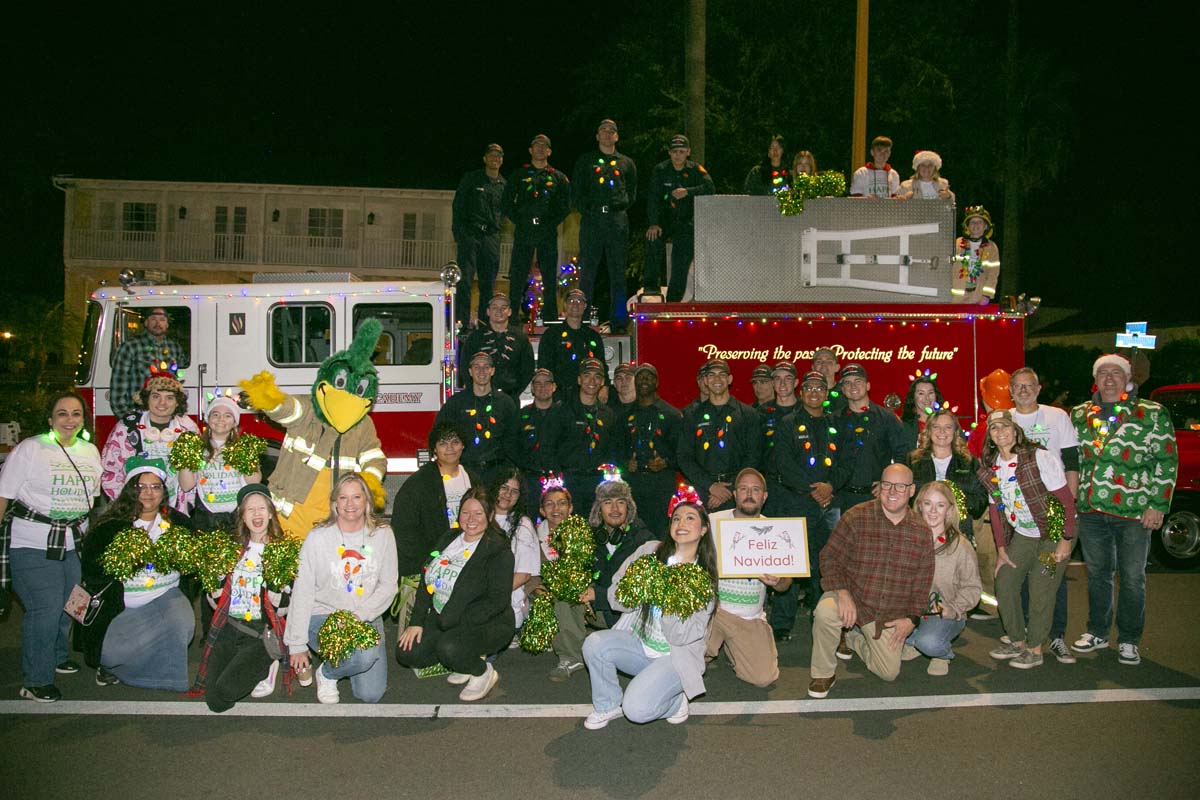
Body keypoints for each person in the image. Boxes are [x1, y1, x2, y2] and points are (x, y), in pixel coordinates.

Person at [1070, 354, 1178, 665]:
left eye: (1116, 373)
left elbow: (1167, 460)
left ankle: (1129, 638)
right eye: (1103, 373)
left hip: (1134, 511)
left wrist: (1158, 504)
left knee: (1132, 577)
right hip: (1090, 509)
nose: (1109, 379)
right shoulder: (1079, 414)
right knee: (1098, 575)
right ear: (1095, 379)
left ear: (1128, 378)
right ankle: (1098, 631)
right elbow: (1070, 460)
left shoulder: (1151, 413)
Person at [581, 494, 719, 728]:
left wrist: (669, 596)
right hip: (640, 645)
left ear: (704, 529)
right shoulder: (649, 551)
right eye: (676, 518)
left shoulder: (703, 579)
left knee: (636, 710)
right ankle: (608, 704)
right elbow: (616, 596)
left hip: (674, 658)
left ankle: (675, 702)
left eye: (690, 518)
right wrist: (637, 589)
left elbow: (680, 637)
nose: (681, 523)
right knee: (594, 644)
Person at [0, 391, 102, 702]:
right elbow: (4, 495)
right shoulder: (30, 449)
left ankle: (57, 655)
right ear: (49, 419)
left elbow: (92, 499)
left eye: (76, 414)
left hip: (73, 542)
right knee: (45, 607)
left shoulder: (90, 451)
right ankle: (36, 679)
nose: (69, 420)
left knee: (71, 604)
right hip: (32, 542)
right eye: (62, 413)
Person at [807, 464, 934, 698]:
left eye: (900, 486)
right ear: (879, 486)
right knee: (825, 613)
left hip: (887, 612)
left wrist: (912, 619)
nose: (892, 491)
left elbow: (922, 582)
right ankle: (823, 673)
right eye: (887, 485)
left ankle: (852, 637)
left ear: (911, 490)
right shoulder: (856, 516)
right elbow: (829, 557)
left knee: (888, 673)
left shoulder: (921, 531)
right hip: (852, 597)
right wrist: (842, 592)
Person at [78, 457, 196, 690]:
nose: (149, 493)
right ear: (130, 490)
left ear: (163, 491)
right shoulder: (110, 526)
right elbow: (91, 572)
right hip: (121, 605)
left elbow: (193, 566)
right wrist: (123, 560)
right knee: (110, 654)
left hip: (164, 596)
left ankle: (159, 674)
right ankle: (116, 665)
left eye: (155, 487)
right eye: (141, 487)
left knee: (182, 623)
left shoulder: (178, 523)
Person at [286, 473, 398, 704]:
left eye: (356, 497)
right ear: (335, 502)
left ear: (367, 500)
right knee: (363, 656)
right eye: (343, 497)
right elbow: (302, 590)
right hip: (324, 616)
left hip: (365, 616)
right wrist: (296, 643)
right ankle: (329, 674)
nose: (350, 504)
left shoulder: (383, 534)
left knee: (370, 694)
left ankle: (331, 669)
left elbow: (388, 585)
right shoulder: (317, 537)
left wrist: (360, 615)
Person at [978, 410, 1076, 669]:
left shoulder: (1038, 457)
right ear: (989, 435)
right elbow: (996, 512)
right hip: (1025, 534)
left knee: (1041, 587)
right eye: (994, 427)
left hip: (1054, 531)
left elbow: (1066, 501)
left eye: (1005, 426)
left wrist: (1066, 539)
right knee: (1005, 581)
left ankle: (1035, 647)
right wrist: (1001, 549)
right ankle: (1017, 640)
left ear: (1016, 430)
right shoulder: (991, 469)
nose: (1000, 431)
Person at [397, 487, 514, 702]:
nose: (471, 519)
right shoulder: (449, 538)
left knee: (449, 647)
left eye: (478, 513)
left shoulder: (498, 550)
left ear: (490, 516)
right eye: (465, 512)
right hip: (444, 616)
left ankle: (482, 671)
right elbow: (427, 578)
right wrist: (417, 622)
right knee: (408, 652)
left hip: (487, 621)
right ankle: (463, 660)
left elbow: (497, 602)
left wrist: (455, 623)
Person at [191, 484, 290, 712]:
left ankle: (268, 662)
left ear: (271, 513)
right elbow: (215, 601)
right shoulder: (230, 549)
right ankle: (244, 666)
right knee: (216, 703)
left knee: (227, 690)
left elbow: (283, 608)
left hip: (259, 634)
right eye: (250, 509)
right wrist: (214, 578)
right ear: (242, 516)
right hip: (230, 627)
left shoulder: (283, 551)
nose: (257, 514)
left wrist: (274, 579)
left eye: (262, 508)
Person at [549, 477, 654, 682]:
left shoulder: (645, 540)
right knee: (565, 590)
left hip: (629, 614)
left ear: (629, 508)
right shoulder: (588, 537)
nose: (614, 508)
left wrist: (598, 594)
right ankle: (571, 657)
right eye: (608, 502)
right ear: (599, 509)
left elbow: (640, 591)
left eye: (620, 502)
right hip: (597, 609)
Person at [1009, 367, 1080, 664]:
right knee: (1025, 575)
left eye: (1029, 385)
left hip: (1053, 507)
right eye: (1018, 386)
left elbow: (1072, 462)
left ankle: (1057, 636)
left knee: (1052, 576)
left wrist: (1069, 507)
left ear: (1039, 389)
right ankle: (1028, 635)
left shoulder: (1057, 416)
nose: (1024, 390)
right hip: (1021, 512)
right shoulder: (1005, 419)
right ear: (1011, 391)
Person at [766, 371, 841, 637]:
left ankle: (822, 618)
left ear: (826, 393)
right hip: (796, 501)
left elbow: (845, 461)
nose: (814, 393)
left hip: (829, 503)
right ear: (802, 392)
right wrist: (813, 489)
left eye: (819, 388)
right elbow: (783, 463)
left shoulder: (836, 423)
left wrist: (830, 486)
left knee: (825, 562)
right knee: (792, 562)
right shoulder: (787, 423)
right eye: (809, 388)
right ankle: (782, 623)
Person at [391, 421, 481, 626]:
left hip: (468, 562)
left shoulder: (473, 480)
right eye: (443, 443)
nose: (450, 448)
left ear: (463, 445)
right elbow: (403, 529)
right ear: (434, 449)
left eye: (455, 442)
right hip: (431, 565)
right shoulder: (418, 483)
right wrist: (428, 562)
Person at [707, 469, 790, 686]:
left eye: (756, 490)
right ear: (735, 494)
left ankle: (735, 647)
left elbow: (786, 584)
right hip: (714, 612)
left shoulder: (776, 532)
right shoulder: (712, 522)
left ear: (765, 496)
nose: (749, 494)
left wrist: (778, 581)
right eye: (743, 489)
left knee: (763, 678)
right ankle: (713, 646)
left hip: (749, 617)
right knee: (688, 662)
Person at [904, 482, 982, 675]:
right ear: (919, 505)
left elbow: (972, 588)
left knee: (929, 643)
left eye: (940, 505)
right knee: (881, 637)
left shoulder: (960, 546)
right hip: (911, 610)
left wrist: (953, 609)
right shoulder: (908, 538)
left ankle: (941, 652)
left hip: (943, 614)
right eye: (928, 503)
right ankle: (914, 640)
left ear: (949, 509)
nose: (933, 511)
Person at [572, 119, 637, 333]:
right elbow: (577, 192)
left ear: (616, 136)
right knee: (587, 273)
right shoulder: (586, 161)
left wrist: (618, 208)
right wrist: (589, 210)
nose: (607, 134)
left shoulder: (626, 163)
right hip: (592, 221)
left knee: (617, 273)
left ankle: (618, 321)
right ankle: (582, 320)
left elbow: (632, 193)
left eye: (611, 131)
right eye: (603, 131)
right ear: (597, 136)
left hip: (617, 220)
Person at [100, 366, 199, 506]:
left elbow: (196, 473)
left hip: (175, 507)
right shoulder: (127, 427)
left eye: (170, 398)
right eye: (156, 396)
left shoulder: (188, 430)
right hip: (134, 506)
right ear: (146, 399)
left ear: (177, 402)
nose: (162, 403)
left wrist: (187, 506)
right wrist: (125, 505)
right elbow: (110, 470)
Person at [678, 359, 763, 512]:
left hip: (737, 493)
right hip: (702, 491)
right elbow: (684, 457)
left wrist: (730, 488)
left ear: (729, 379)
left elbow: (753, 456)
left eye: (722, 375)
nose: (717, 379)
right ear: (705, 380)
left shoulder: (748, 415)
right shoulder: (692, 415)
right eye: (711, 375)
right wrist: (711, 486)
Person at [502, 134, 571, 322]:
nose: (540, 149)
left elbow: (565, 205)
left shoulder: (558, 177)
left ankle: (549, 317)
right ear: (530, 150)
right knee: (518, 275)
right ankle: (513, 316)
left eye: (544, 146)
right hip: (524, 230)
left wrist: (550, 222)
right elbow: (506, 202)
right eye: (536, 145)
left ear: (549, 151)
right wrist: (520, 220)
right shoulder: (519, 175)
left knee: (549, 276)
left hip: (546, 231)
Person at [542, 357, 622, 515]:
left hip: (598, 484)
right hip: (569, 482)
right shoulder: (561, 410)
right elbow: (547, 447)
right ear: (579, 380)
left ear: (602, 382)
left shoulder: (608, 414)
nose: (592, 381)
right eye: (587, 375)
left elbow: (613, 451)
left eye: (597, 376)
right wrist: (556, 480)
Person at [644, 134, 715, 302]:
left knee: (680, 258)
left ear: (688, 152)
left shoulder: (695, 169)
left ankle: (673, 300)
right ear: (669, 153)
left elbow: (710, 187)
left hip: (685, 220)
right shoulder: (661, 170)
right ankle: (651, 287)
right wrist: (653, 223)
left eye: (681, 152)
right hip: (665, 219)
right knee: (652, 239)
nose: (678, 155)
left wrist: (688, 192)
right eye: (674, 151)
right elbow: (653, 198)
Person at [177, 394, 262, 532]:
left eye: (228, 415)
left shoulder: (243, 448)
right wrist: (187, 456)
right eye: (215, 414)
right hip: (205, 516)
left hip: (237, 517)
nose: (221, 419)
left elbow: (254, 483)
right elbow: (186, 486)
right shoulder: (197, 448)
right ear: (208, 419)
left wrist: (247, 456)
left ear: (234, 421)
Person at [831, 363, 908, 514]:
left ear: (868, 386)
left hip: (876, 497)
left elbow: (902, 454)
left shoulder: (887, 418)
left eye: (858, 381)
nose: (853, 386)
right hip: (841, 499)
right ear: (843, 389)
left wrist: (889, 483)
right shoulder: (833, 421)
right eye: (847, 382)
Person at [434, 351, 518, 484]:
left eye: (486, 367)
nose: (481, 371)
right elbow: (439, 433)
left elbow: (514, 439)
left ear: (492, 371)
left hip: (498, 472)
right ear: (470, 371)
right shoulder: (456, 403)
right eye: (476, 367)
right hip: (466, 471)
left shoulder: (506, 403)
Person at [621, 363, 682, 540]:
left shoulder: (671, 415)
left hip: (661, 484)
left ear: (657, 383)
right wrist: (625, 464)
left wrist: (666, 462)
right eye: (640, 377)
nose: (644, 380)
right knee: (633, 535)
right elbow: (615, 451)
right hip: (633, 484)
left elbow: (682, 454)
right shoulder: (624, 417)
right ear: (635, 382)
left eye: (649, 377)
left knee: (662, 535)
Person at [909, 409, 987, 542]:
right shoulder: (913, 461)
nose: (942, 432)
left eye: (948, 427)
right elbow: (906, 497)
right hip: (920, 531)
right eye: (936, 427)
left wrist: (954, 498)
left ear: (955, 431)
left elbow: (980, 503)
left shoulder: (969, 462)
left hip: (959, 531)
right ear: (929, 431)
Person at [451, 143, 506, 328]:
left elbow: (506, 211)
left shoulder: (504, 185)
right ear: (485, 158)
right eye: (491, 155)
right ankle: (461, 323)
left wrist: (497, 227)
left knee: (488, 284)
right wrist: (459, 233)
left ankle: (484, 324)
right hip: (470, 234)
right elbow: (458, 205)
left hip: (490, 237)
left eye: (498, 156)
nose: (494, 159)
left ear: (501, 160)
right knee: (465, 280)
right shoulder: (471, 179)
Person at [110, 306, 187, 419]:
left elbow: (180, 380)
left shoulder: (174, 347)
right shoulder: (130, 347)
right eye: (153, 319)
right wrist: (128, 418)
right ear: (146, 323)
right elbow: (118, 386)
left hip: (168, 416)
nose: (158, 323)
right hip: (140, 414)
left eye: (162, 320)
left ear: (167, 324)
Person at [489, 468, 539, 630]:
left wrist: (489, 595)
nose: (508, 494)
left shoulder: (523, 525)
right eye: (504, 488)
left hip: (507, 604)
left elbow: (523, 575)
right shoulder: (480, 517)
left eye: (514, 491)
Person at [458, 293, 535, 398]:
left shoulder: (521, 338)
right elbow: (464, 367)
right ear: (488, 311)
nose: (499, 311)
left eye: (504, 307)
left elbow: (528, 369)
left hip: (510, 398)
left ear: (510, 312)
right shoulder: (475, 338)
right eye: (494, 307)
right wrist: (475, 391)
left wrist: (514, 393)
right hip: (480, 399)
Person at [537, 288, 608, 400]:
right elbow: (544, 366)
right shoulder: (551, 334)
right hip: (559, 395)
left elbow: (601, 364)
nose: (575, 304)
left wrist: (605, 387)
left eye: (579, 301)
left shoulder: (593, 336)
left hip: (588, 395)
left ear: (585, 306)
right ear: (565, 305)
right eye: (571, 301)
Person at [515, 369, 559, 502]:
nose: (542, 387)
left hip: (558, 479)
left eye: (547, 383)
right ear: (532, 388)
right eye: (538, 383)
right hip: (529, 480)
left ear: (554, 387)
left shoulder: (564, 415)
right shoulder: (521, 416)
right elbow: (513, 447)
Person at [952, 205, 1000, 305]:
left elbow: (993, 274)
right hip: (955, 297)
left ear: (985, 226)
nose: (976, 225)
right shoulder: (957, 243)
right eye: (972, 222)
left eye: (980, 222)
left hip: (978, 297)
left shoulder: (992, 247)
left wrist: (986, 295)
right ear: (967, 226)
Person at [899, 372, 946, 454]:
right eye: (921, 393)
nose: (927, 398)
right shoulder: (903, 427)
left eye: (930, 393)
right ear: (913, 398)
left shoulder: (948, 422)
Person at [811, 347, 846, 417]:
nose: (824, 364)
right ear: (813, 367)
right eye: (819, 362)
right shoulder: (807, 394)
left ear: (837, 367)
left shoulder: (846, 392)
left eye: (829, 362)